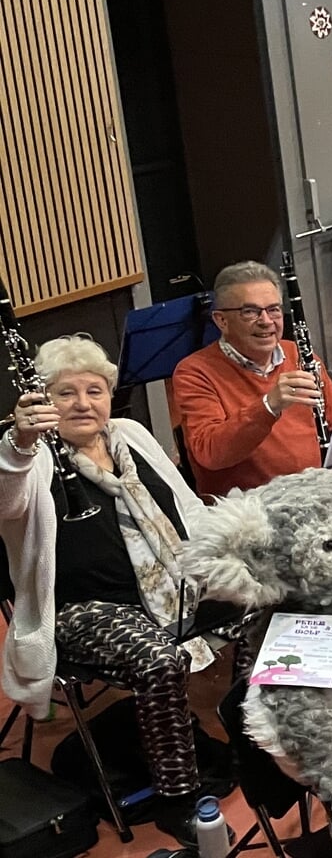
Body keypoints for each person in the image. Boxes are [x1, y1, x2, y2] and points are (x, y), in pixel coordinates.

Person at [3, 336, 231, 844]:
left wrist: (226, 562)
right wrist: (19, 443)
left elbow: (188, 507)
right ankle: (178, 799)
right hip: (82, 609)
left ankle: (257, 740)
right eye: (65, 393)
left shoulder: (130, 435)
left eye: (94, 390)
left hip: (171, 584)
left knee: (265, 601)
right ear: (43, 401)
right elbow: (6, 501)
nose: (83, 403)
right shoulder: (33, 456)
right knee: (159, 660)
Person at [174, 260, 332, 497]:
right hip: (250, 506)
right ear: (221, 320)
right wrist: (269, 406)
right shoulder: (194, 372)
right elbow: (210, 453)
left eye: (273, 309)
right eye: (250, 311)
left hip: (317, 491)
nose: (266, 321)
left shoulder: (298, 354)